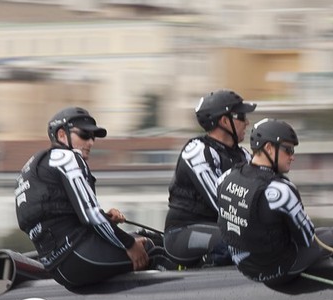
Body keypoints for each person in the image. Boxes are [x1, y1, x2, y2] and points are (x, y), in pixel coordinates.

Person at [15, 107, 153, 288]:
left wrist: (106, 218)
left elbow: (61, 215)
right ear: (62, 135)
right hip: (78, 256)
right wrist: (129, 245)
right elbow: (90, 216)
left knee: (134, 238)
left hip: (56, 265)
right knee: (148, 246)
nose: (91, 142)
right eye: (84, 135)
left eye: (93, 137)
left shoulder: (36, 164)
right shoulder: (68, 157)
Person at [217, 118, 333, 287]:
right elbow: (307, 238)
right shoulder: (281, 190)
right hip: (276, 271)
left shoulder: (226, 178)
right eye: (288, 150)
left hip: (243, 266)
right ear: (268, 147)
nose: (292, 157)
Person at [163, 89, 256, 267]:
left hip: (224, 229)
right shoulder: (197, 151)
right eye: (242, 117)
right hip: (182, 234)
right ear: (224, 121)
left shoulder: (244, 155)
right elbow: (221, 203)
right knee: (240, 243)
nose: (247, 122)